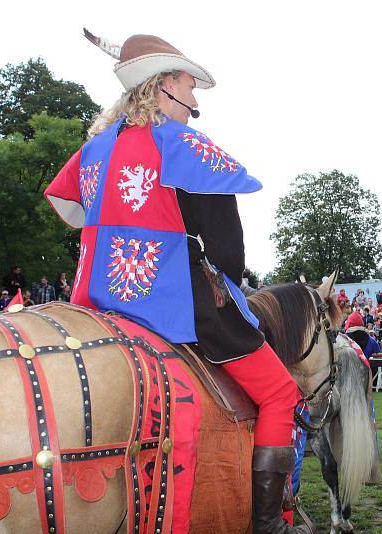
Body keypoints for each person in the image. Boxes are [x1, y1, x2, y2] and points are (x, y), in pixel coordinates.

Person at [44, 30, 307, 533]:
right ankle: (270, 522)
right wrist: (229, 277)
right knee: (279, 393)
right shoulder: (181, 143)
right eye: (189, 85)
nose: (193, 97)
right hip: (171, 301)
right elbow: (228, 249)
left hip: (97, 302)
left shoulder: (94, 149)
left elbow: (72, 208)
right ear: (163, 85)